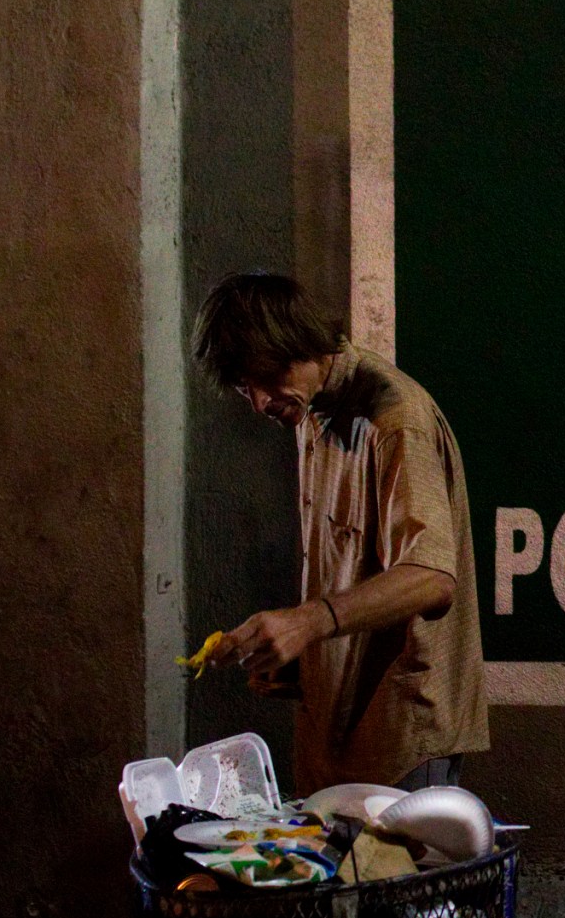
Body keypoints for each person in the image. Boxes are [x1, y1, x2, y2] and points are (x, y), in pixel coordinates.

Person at [194, 272, 489, 793]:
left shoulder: (394, 420)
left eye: (265, 376)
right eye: (245, 388)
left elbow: (432, 577)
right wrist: (305, 660)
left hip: (400, 740)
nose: (260, 403)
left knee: (399, 877)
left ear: (298, 342)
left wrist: (308, 623)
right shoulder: (310, 412)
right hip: (338, 728)